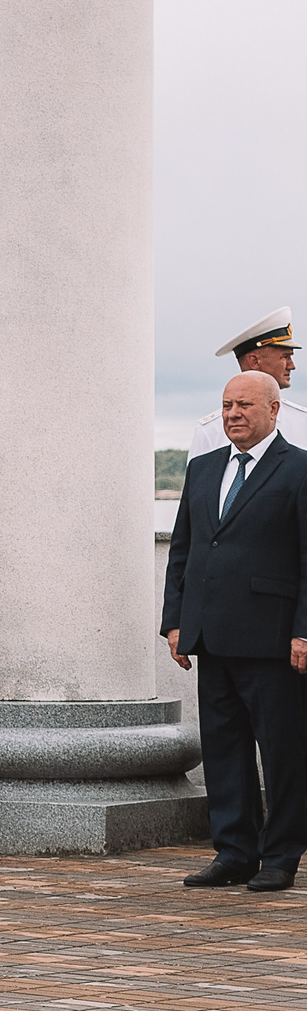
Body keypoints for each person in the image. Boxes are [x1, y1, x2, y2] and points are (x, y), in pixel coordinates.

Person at [164, 371, 307, 891]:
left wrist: (304, 631)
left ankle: (281, 856)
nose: (232, 415)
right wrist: (176, 622)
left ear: (273, 409)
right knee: (223, 749)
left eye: (244, 405)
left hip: (273, 640)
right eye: (226, 405)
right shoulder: (202, 469)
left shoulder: (299, 469)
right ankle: (234, 852)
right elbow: (184, 549)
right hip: (211, 635)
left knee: (282, 751)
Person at [191, 310, 307, 455]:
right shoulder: (211, 432)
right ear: (255, 361)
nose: (291, 366)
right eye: (285, 357)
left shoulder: (303, 423)